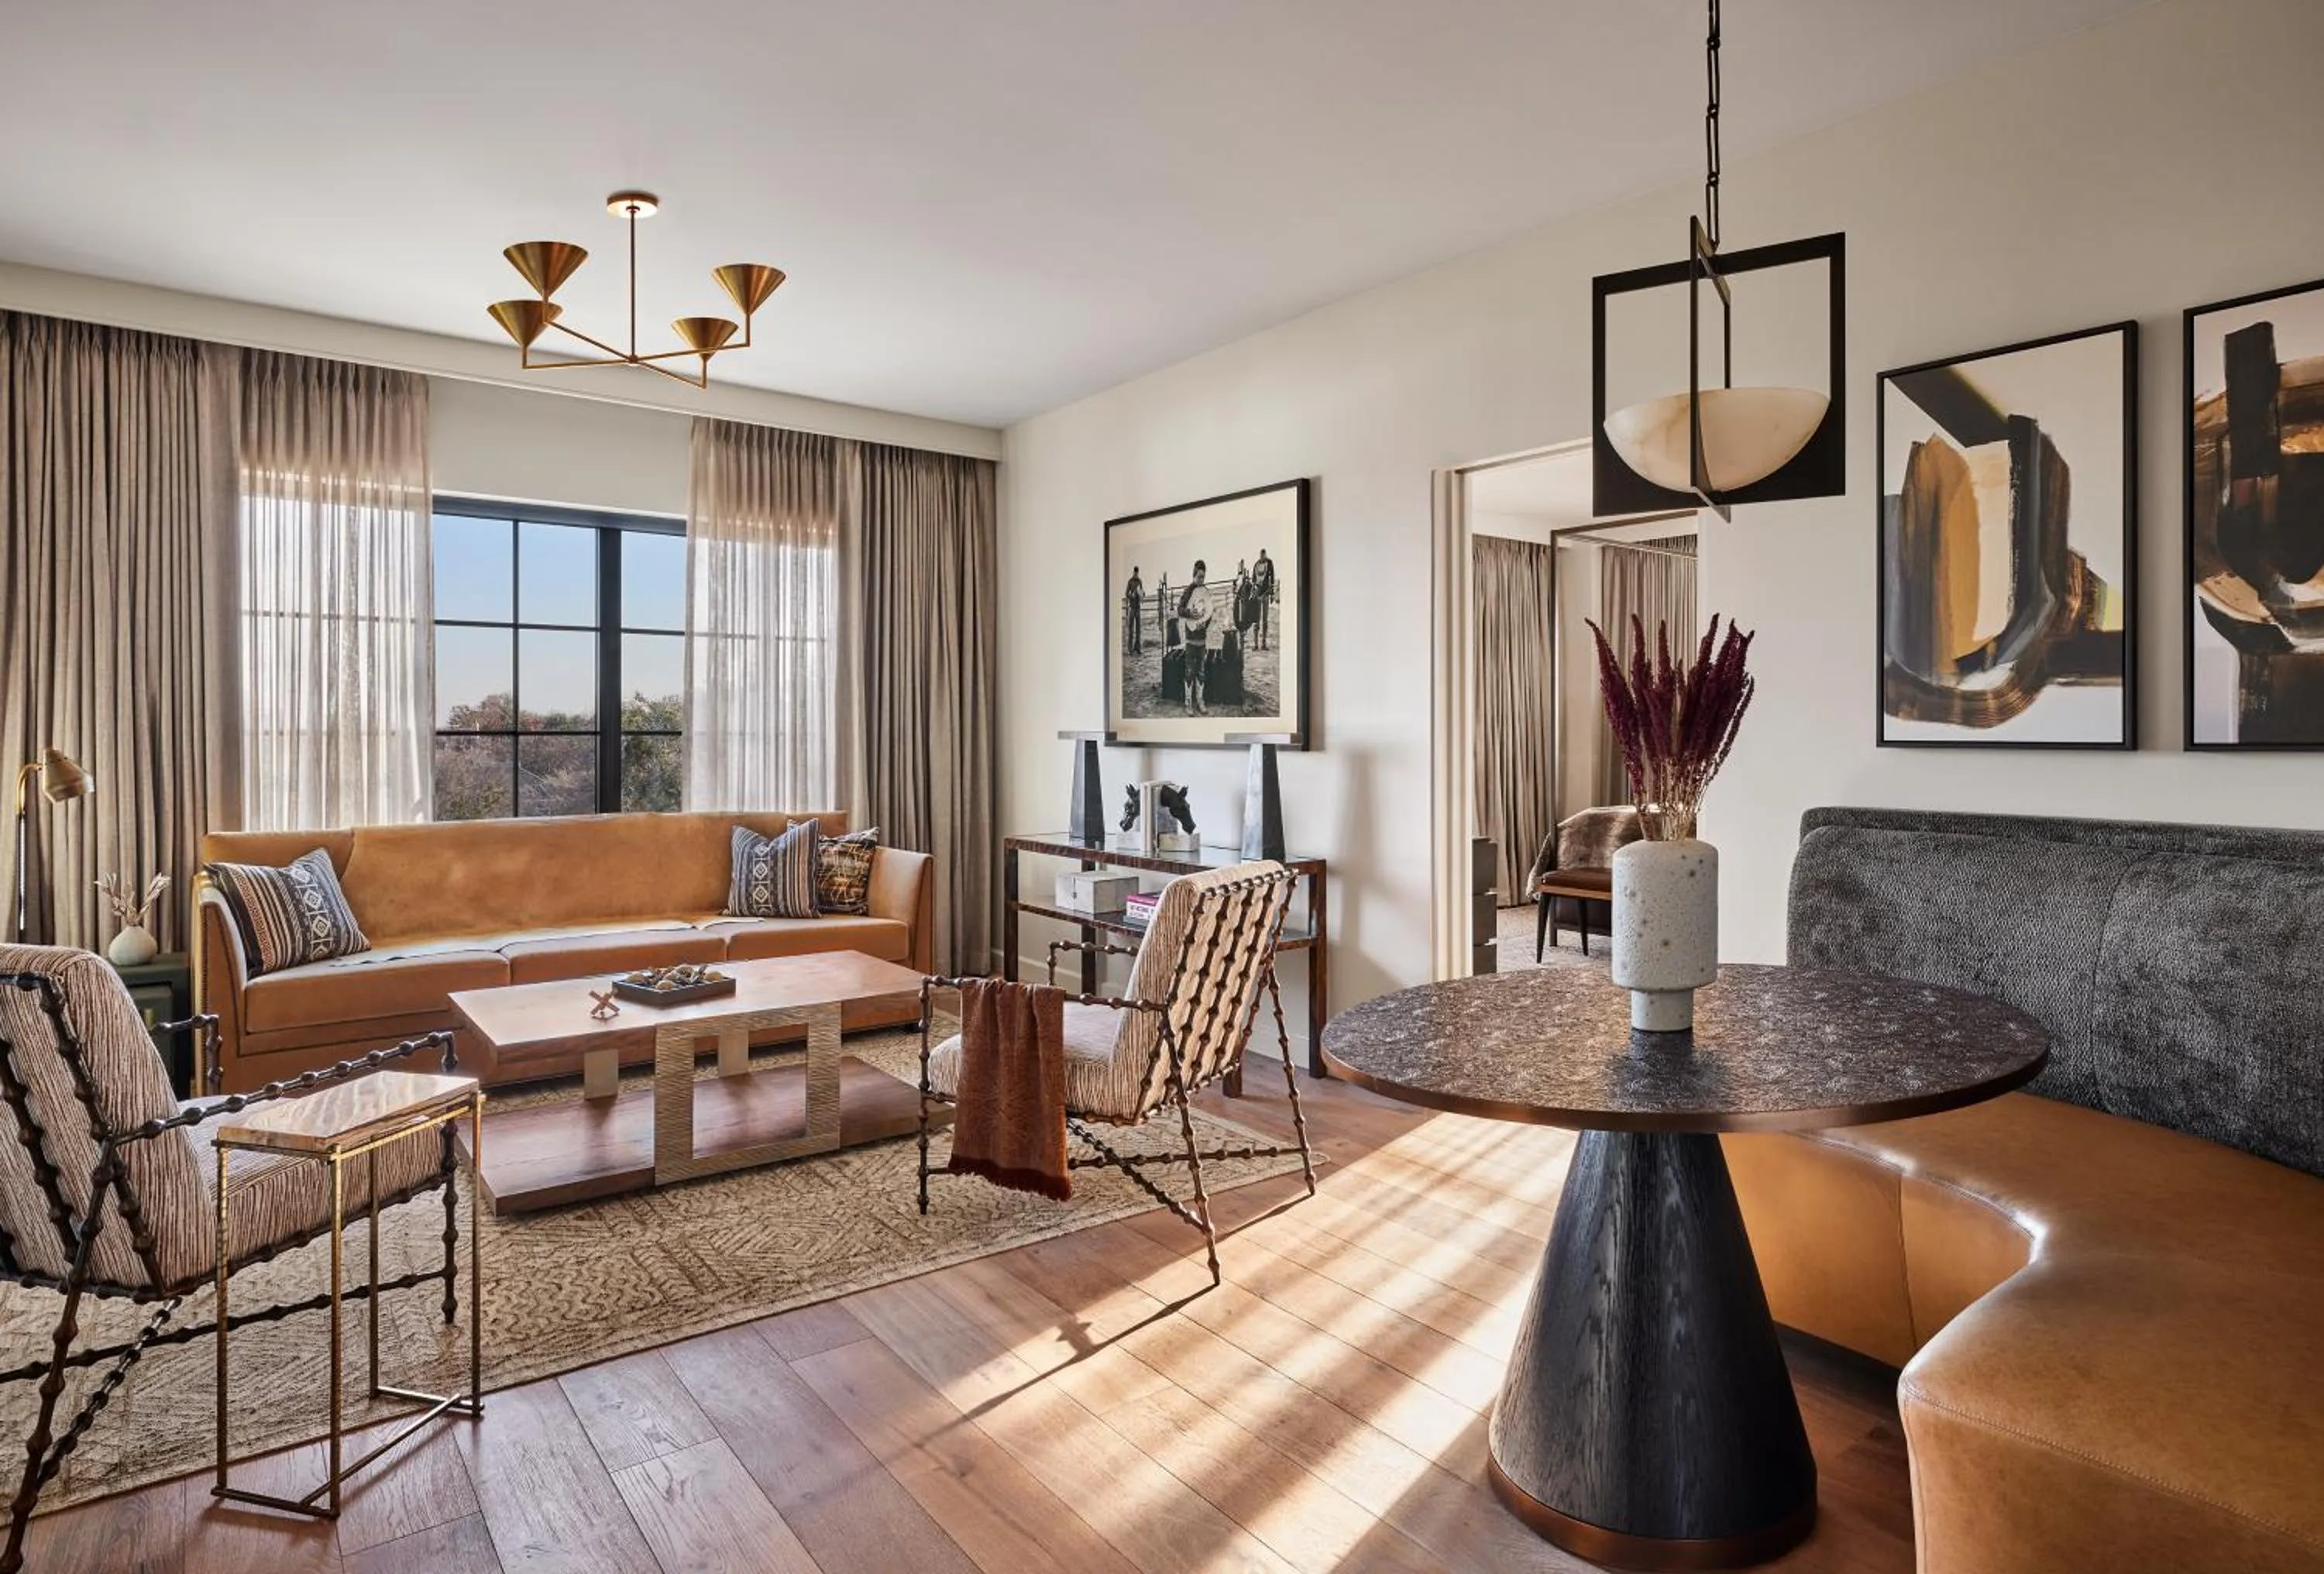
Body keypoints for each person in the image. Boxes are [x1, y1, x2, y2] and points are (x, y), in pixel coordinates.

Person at [1177, 560, 1218, 715]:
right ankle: (1188, 703)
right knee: (1189, 671)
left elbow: (1209, 612)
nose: (1201, 580)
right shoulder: (1188, 591)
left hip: (1202, 639)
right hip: (1190, 639)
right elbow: (1180, 610)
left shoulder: (1205, 591)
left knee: (1201, 672)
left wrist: (1204, 624)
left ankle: (1200, 701)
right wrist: (1190, 614)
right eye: (1199, 577)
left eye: (1203, 577)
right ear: (1194, 575)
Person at [1250, 548, 1277, 650]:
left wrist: (1273, 594)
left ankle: (1264, 644)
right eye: (1261, 556)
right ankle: (1256, 644)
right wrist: (1253, 594)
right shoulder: (1256, 565)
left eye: (1264, 555)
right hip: (1257, 593)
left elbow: (1272, 578)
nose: (1262, 557)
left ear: (1266, 555)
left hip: (1266, 593)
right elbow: (1253, 580)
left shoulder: (1269, 563)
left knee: (1265, 620)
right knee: (1256, 619)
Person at [1123, 565, 1145, 654]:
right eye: (1135, 572)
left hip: (1138, 608)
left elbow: (1142, 592)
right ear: (1133, 572)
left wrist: (1143, 594)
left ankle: (1138, 648)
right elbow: (1126, 593)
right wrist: (1131, 595)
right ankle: (1130, 649)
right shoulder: (1130, 581)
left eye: (1137, 572)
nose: (1136, 574)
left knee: (1138, 630)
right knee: (1131, 629)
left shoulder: (1140, 581)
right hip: (1132, 608)